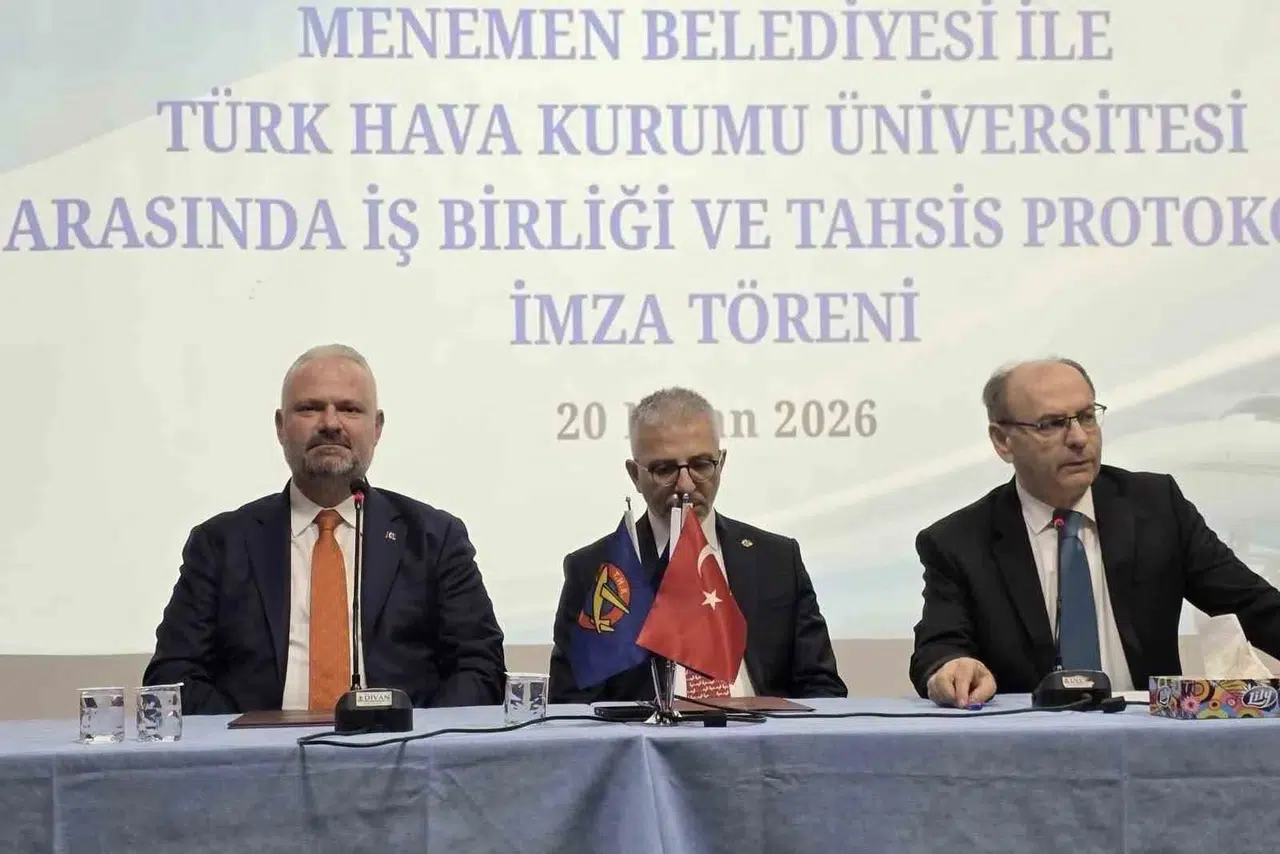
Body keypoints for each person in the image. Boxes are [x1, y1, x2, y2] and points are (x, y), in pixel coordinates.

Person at [144, 344, 506, 714]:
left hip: (400, 745)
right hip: (258, 747)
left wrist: (415, 736)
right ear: (280, 426)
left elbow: (481, 668)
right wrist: (247, 736)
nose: (331, 423)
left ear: (377, 427)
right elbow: (172, 675)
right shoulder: (220, 544)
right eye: (310, 408)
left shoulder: (434, 539)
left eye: (350, 409)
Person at [909, 358, 1280, 707]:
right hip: (1025, 739)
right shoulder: (958, 541)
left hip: (1148, 735)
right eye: (1051, 424)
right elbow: (939, 647)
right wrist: (951, 666)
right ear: (1002, 441)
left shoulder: (1156, 507)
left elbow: (1254, 606)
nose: (1078, 438)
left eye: (1086, 417)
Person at [548, 387, 847, 704]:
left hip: (764, 732)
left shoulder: (777, 560)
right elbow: (571, 706)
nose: (686, 484)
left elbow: (822, 689)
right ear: (635, 475)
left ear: (721, 464)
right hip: (646, 735)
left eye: (701, 464)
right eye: (665, 470)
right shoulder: (597, 571)